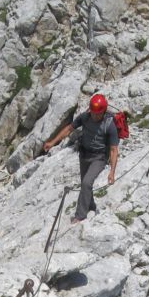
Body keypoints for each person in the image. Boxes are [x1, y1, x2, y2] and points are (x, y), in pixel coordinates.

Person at [43, 94, 119, 223]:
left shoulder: (110, 125)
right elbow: (69, 129)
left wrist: (112, 172)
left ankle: (80, 215)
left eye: (98, 114)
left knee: (86, 183)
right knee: (85, 183)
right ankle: (91, 206)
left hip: (99, 158)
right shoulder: (85, 117)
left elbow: (113, 149)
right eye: (93, 113)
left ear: (103, 111)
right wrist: (52, 142)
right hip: (84, 155)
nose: (94, 116)